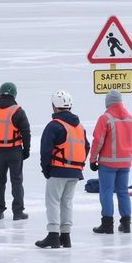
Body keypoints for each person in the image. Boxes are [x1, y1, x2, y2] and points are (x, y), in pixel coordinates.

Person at [35, 90, 89, 248]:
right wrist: (77, 165)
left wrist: (46, 169)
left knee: (52, 202)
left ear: (54, 107)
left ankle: (53, 235)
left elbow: (45, 150)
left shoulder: (54, 126)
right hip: (75, 171)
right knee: (67, 203)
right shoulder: (80, 126)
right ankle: (65, 236)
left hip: (58, 170)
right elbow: (86, 146)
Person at [90, 90, 132, 234]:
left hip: (107, 164)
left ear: (108, 103)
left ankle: (107, 224)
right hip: (125, 163)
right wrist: (127, 154)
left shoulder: (105, 118)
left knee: (106, 192)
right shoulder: (131, 119)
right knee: (123, 192)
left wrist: (93, 159)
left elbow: (98, 141)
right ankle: (126, 224)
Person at [0, 82, 31, 220]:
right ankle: (18, 212)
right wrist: (26, 150)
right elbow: (26, 132)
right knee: (16, 181)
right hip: (14, 151)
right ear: (14, 94)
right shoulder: (17, 111)